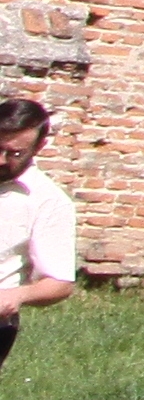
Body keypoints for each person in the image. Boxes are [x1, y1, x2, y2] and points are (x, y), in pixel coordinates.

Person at [0, 98, 74, 374]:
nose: (1, 160)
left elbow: (60, 282)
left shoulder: (49, 202)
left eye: (15, 153)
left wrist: (16, 295)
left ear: (39, 147)